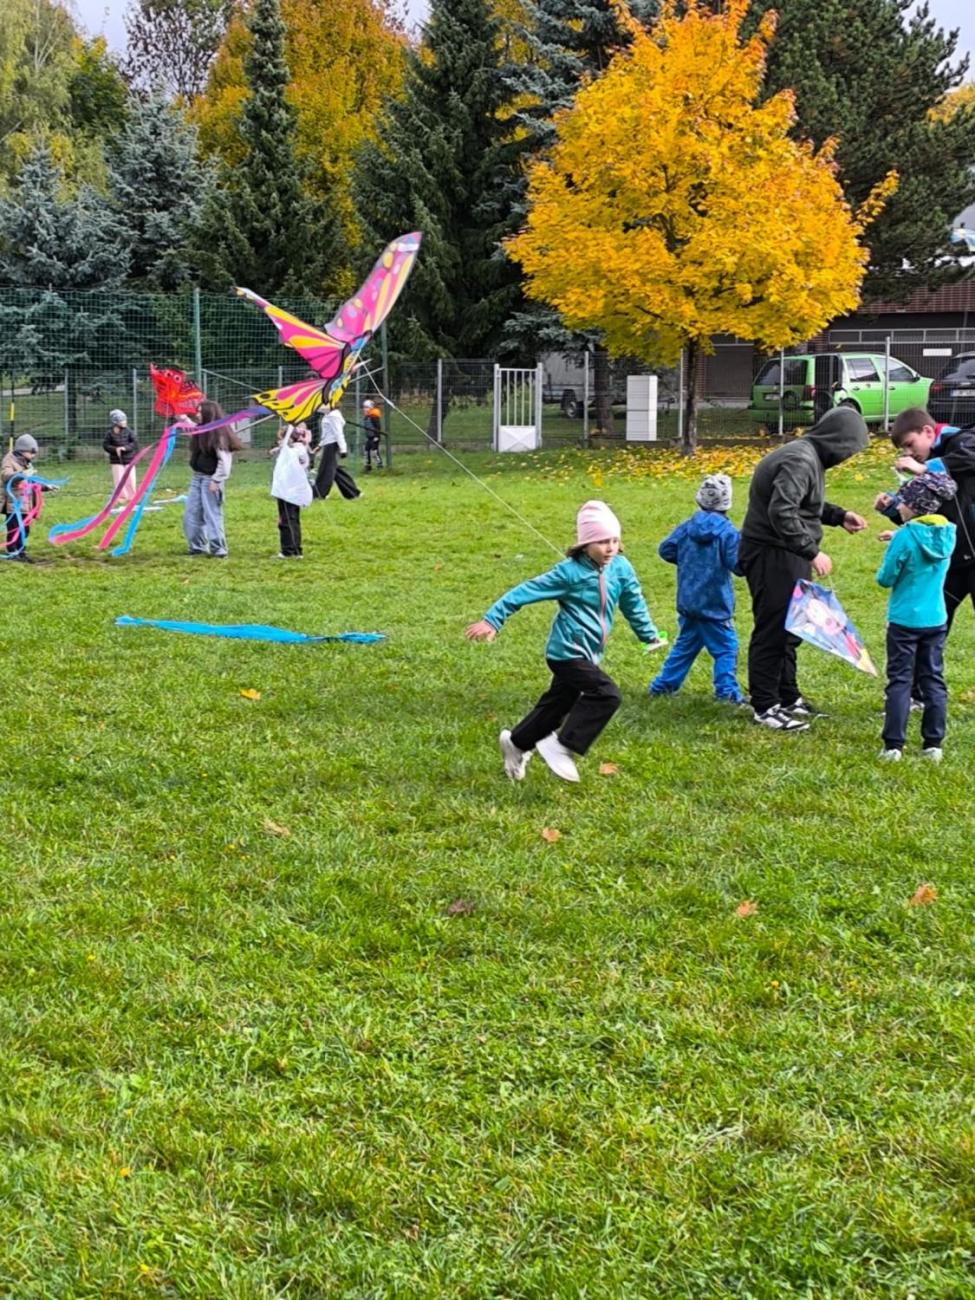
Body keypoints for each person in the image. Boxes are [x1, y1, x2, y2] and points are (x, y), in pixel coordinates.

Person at [465, 500, 665, 783]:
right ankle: (563, 746)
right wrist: (492, 620)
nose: (609, 548)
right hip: (566, 652)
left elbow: (633, 601)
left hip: (590, 653)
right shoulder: (569, 572)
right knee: (607, 694)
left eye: (614, 540)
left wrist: (648, 634)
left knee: (557, 705)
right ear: (584, 544)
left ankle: (518, 743)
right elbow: (525, 591)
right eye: (600, 541)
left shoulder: (620, 567)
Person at [738, 406, 869, 731]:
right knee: (773, 628)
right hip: (773, 553)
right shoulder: (800, 459)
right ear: (838, 441)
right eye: (849, 450)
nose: (847, 458)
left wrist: (839, 516)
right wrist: (811, 551)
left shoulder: (807, 456)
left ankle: (787, 696)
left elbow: (803, 503)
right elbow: (782, 510)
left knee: (792, 627)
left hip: (786, 552)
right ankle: (765, 706)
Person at [876, 470, 957, 763]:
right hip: (936, 619)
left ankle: (893, 746)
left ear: (914, 505)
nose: (898, 505)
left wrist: (896, 544)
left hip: (904, 621)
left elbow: (885, 578)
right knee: (933, 679)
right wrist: (898, 536)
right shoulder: (948, 531)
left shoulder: (907, 537)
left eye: (902, 501)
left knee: (899, 680)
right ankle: (933, 744)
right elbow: (923, 545)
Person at [649, 473, 744, 704]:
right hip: (715, 605)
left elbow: (666, 550)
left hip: (688, 601)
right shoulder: (728, 534)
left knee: (685, 647)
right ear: (727, 503)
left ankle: (663, 685)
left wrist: (688, 561)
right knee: (726, 649)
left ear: (700, 499)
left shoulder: (686, 527)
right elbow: (738, 567)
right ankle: (727, 692)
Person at [879, 407, 975, 634]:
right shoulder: (926, 460)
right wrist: (893, 509)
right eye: (903, 449)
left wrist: (926, 468)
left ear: (928, 432)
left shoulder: (962, 441)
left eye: (910, 444)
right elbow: (924, 515)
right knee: (931, 629)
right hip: (947, 559)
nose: (908, 453)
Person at [183, 399, 241, 558]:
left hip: (211, 480)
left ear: (209, 414)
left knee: (212, 513)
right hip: (197, 478)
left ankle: (219, 549)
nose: (197, 414)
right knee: (192, 513)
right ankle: (197, 546)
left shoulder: (219, 435)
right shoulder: (201, 430)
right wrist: (180, 417)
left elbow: (225, 461)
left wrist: (217, 480)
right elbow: (190, 428)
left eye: (200, 411)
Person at [2, 434, 57, 561]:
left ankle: (21, 552)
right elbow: (6, 476)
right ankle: (13, 553)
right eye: (31, 452)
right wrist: (22, 474)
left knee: (24, 530)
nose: (33, 456)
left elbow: (32, 482)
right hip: (13, 504)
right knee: (14, 529)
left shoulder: (26, 463)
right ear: (22, 450)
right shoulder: (9, 460)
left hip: (25, 504)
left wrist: (46, 487)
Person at [270, 423, 312, 557]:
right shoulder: (299, 449)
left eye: (281, 439)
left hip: (287, 491)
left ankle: (288, 550)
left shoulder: (291, 452)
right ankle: (296, 549)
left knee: (285, 521)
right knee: (293, 519)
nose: (279, 442)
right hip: (296, 490)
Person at [313, 405, 361, 501]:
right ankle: (352, 492)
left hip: (332, 445)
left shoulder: (333, 415)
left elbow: (338, 433)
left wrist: (343, 449)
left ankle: (320, 493)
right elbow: (326, 433)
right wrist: (320, 445)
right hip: (328, 444)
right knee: (335, 470)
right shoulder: (328, 415)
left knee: (326, 470)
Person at [103, 408, 139, 505]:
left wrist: (125, 448)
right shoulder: (109, 433)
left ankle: (132, 497)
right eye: (122, 420)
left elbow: (134, 443)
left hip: (129, 460)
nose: (124, 422)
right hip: (116, 461)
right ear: (115, 422)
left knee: (131, 479)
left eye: (125, 420)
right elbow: (106, 445)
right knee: (118, 479)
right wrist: (115, 449)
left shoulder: (129, 431)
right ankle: (122, 497)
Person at [362, 399, 384, 471]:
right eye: (364, 407)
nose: (365, 409)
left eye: (367, 407)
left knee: (374, 451)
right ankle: (368, 466)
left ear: (371, 407)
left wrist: (377, 436)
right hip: (369, 437)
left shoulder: (374, 416)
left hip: (374, 437)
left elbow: (378, 427)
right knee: (366, 451)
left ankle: (379, 465)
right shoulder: (367, 416)